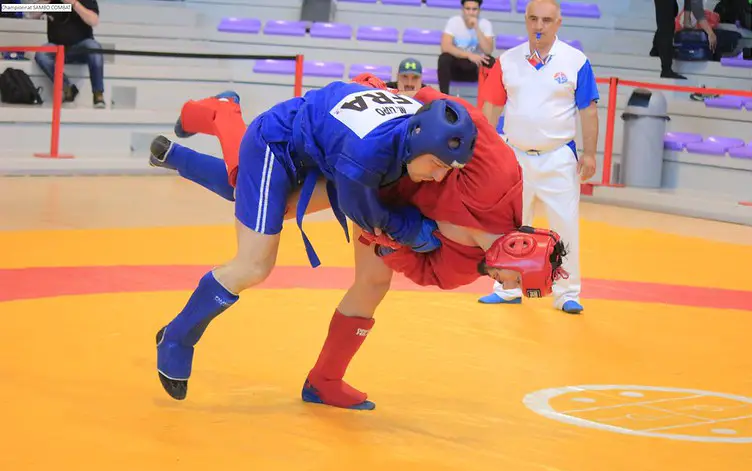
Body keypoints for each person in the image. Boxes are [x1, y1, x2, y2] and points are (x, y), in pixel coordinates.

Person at [149, 75, 567, 409]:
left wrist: (388, 239)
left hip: (377, 187)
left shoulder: (461, 269)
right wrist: (389, 97)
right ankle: (179, 335)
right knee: (254, 247)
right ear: (519, 249)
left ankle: (324, 380)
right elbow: (452, 114)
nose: (505, 286)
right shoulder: (498, 176)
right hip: (341, 156)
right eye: (514, 281)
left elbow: (416, 267)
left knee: (371, 283)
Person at [477, 0, 599, 314]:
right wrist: (484, 152)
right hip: (513, 155)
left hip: (558, 157)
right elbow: (490, 106)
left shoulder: (576, 61)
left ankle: (567, 293)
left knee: (565, 227)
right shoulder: (507, 61)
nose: (539, 26)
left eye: (546, 20)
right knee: (511, 227)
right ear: (526, 21)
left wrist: (589, 153)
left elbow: (588, 109)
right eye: (533, 19)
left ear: (558, 23)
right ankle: (506, 288)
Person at [31, 0, 105, 107]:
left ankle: (98, 94)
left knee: (94, 47)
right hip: (57, 47)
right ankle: (67, 88)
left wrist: (74, 4)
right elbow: (31, 14)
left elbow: (94, 21)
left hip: (81, 47)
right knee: (41, 55)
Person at [438, 0, 495, 95]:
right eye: (468, 9)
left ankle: (487, 101)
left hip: (475, 67)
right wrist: (469, 55)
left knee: (491, 62)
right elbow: (445, 46)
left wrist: (477, 28)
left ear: (479, 10)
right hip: (457, 65)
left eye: (474, 9)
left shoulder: (485, 24)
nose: (471, 12)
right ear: (462, 9)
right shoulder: (454, 22)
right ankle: (444, 97)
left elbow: (488, 50)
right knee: (444, 58)